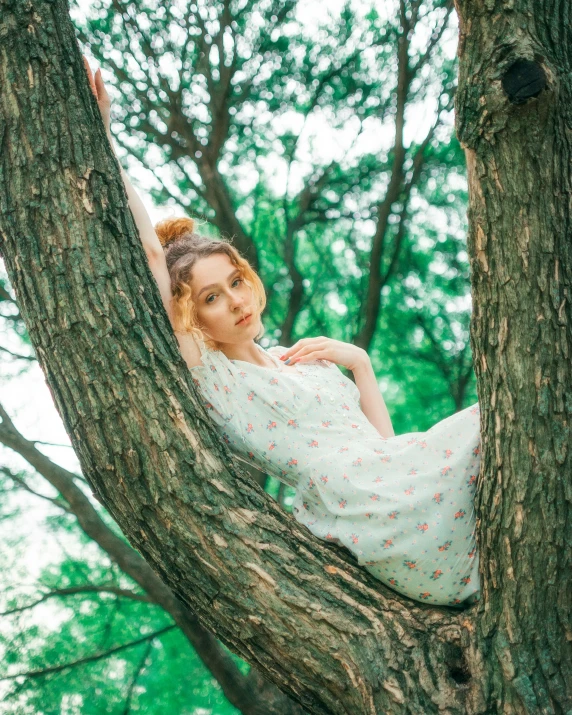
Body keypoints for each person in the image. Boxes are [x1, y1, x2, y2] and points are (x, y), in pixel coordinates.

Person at [83, 57, 481, 608]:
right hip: (365, 514)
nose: (237, 301)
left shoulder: (308, 362)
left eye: (236, 281)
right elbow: (152, 251)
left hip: (401, 491)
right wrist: (102, 134)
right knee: (500, 416)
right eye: (211, 298)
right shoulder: (212, 374)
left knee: (512, 419)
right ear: (193, 318)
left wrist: (360, 363)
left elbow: (385, 451)